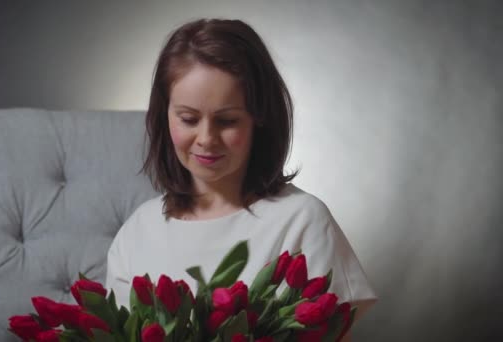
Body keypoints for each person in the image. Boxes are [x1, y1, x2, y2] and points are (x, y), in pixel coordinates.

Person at [106, 18, 377, 339]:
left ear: (259, 118)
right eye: (189, 118)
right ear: (164, 116)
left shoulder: (303, 220)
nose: (207, 138)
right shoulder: (139, 230)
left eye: (227, 120)